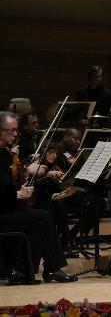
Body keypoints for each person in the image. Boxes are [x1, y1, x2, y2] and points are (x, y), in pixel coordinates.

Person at [0, 111, 76, 283]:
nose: (15, 134)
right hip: (2, 210)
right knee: (41, 218)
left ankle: (46, 269)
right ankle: (22, 270)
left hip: (8, 206)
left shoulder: (5, 154)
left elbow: (9, 182)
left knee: (44, 214)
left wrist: (23, 183)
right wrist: (17, 194)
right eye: (11, 131)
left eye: (16, 130)